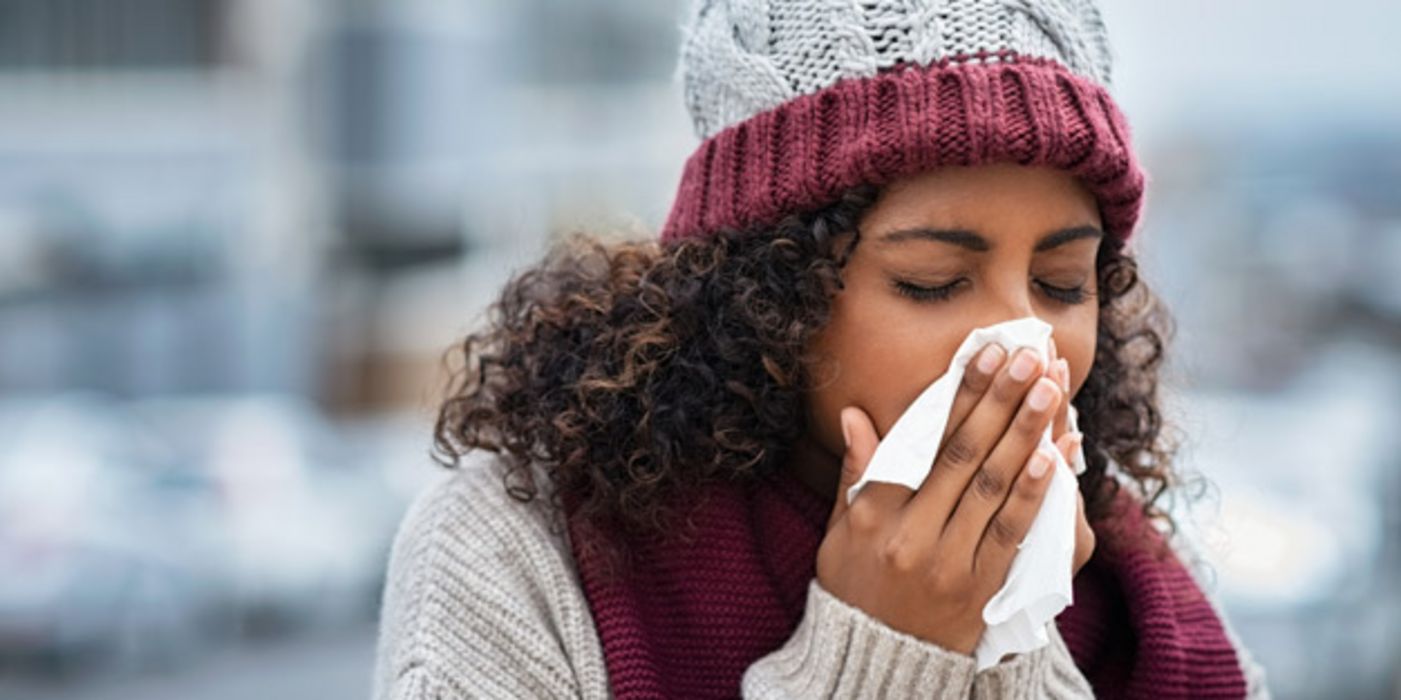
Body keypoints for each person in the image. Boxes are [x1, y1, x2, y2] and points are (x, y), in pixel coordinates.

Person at [371, 1, 1272, 698]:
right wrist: (887, 658)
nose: (1024, 345)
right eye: (931, 281)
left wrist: (1009, 637)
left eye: (1062, 284)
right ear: (766, 298)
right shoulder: (519, 549)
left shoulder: (1141, 594)